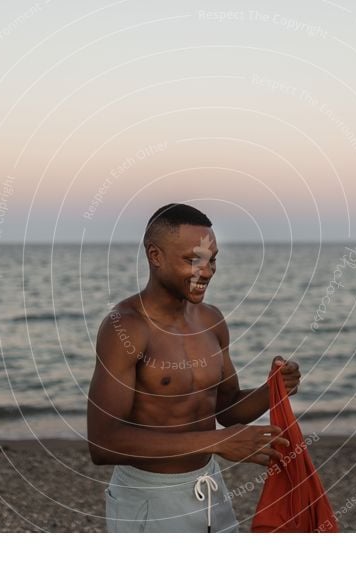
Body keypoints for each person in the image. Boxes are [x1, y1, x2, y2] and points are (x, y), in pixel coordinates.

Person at [87, 202, 302, 532]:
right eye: (192, 259)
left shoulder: (212, 321)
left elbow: (227, 410)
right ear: (155, 256)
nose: (206, 270)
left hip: (210, 486)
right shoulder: (126, 328)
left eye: (212, 259)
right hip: (149, 496)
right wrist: (217, 442)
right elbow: (103, 443)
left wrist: (273, 390)